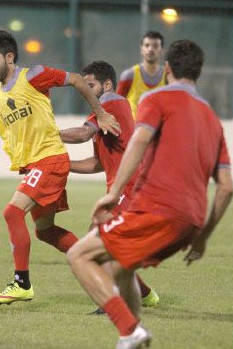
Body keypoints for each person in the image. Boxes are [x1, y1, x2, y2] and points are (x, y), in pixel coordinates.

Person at [67, 40, 233, 348]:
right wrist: (203, 237)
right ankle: (132, 337)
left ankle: (130, 329)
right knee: (122, 268)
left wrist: (113, 191)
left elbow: (139, 141)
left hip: (158, 209)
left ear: (167, 68)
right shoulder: (213, 118)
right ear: (198, 72)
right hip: (192, 222)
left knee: (79, 255)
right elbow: (226, 188)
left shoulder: (156, 98)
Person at [0, 30, 120, 304]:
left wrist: (100, 113)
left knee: (12, 213)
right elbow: (10, 132)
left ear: (9, 57)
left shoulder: (33, 76)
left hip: (51, 159)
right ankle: (107, 267)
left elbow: (78, 80)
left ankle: (22, 284)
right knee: (45, 231)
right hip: (36, 165)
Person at [59, 61, 159, 311]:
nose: (86, 91)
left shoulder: (112, 103)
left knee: (97, 237)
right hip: (121, 189)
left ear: (107, 85)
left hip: (131, 187)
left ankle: (111, 302)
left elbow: (81, 135)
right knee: (105, 244)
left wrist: (43, 133)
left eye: (90, 85)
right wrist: (62, 163)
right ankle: (144, 294)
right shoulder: (102, 115)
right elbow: (97, 163)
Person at [116, 31, 166, 119]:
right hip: (133, 130)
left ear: (162, 50)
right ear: (141, 49)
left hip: (159, 130)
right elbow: (117, 105)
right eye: (147, 45)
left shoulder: (168, 77)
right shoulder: (129, 75)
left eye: (155, 46)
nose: (150, 49)